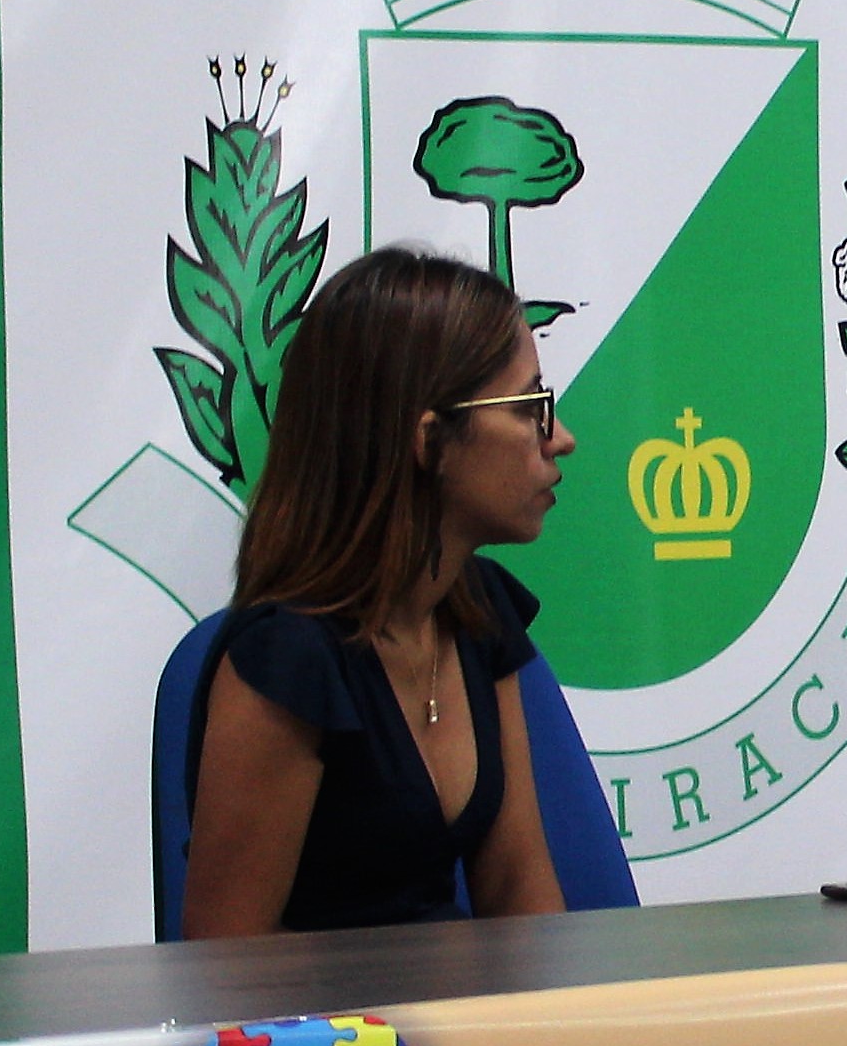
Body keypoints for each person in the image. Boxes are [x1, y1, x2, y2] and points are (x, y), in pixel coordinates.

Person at [181, 248, 574, 934]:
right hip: (327, 1011)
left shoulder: (480, 610)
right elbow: (227, 965)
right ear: (430, 439)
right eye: (529, 408)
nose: (560, 439)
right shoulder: (288, 659)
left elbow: (520, 894)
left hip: (467, 1004)